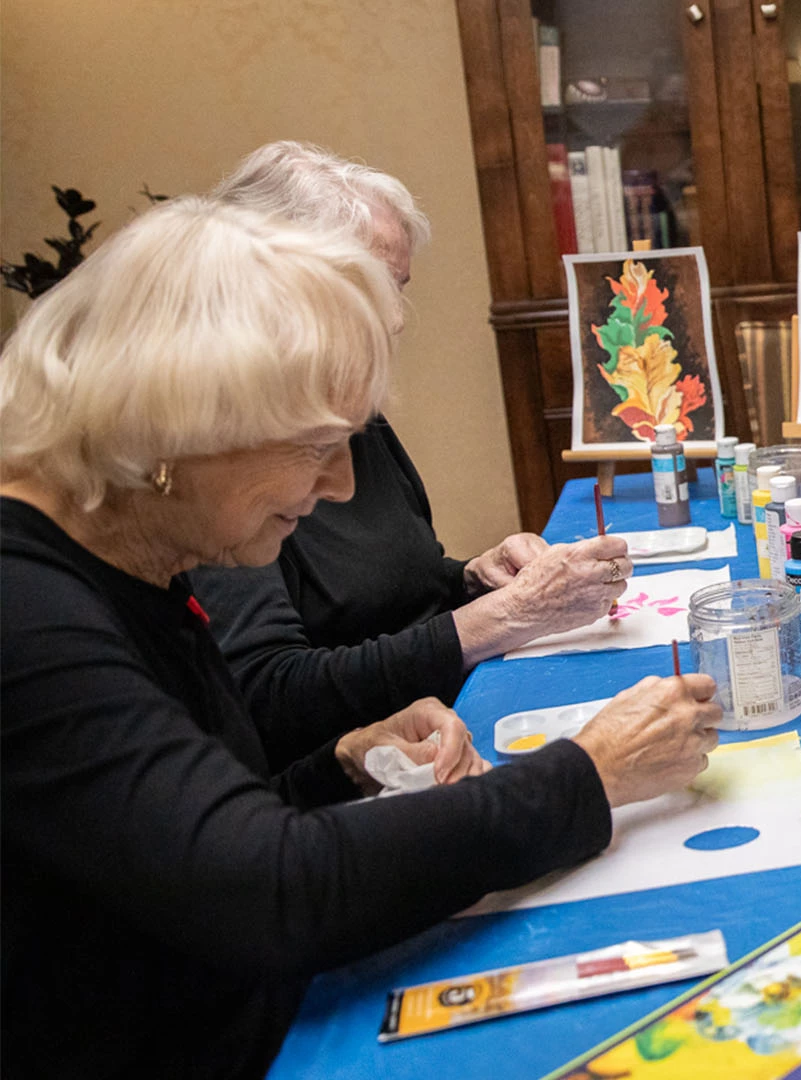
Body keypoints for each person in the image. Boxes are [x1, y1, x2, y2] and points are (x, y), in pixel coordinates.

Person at [0, 197, 721, 1077]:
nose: (339, 486)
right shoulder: (24, 606)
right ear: (177, 433)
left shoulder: (136, 553)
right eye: (315, 446)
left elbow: (190, 830)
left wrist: (341, 762)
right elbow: (267, 888)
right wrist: (590, 774)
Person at [189, 141, 628, 761]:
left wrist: (474, 578)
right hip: (367, 768)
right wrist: (501, 619)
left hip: (444, 713)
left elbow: (396, 593)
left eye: (400, 287)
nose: (396, 319)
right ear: (279, 285)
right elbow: (268, 696)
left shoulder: (350, 407)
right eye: (376, 287)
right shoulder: (219, 451)